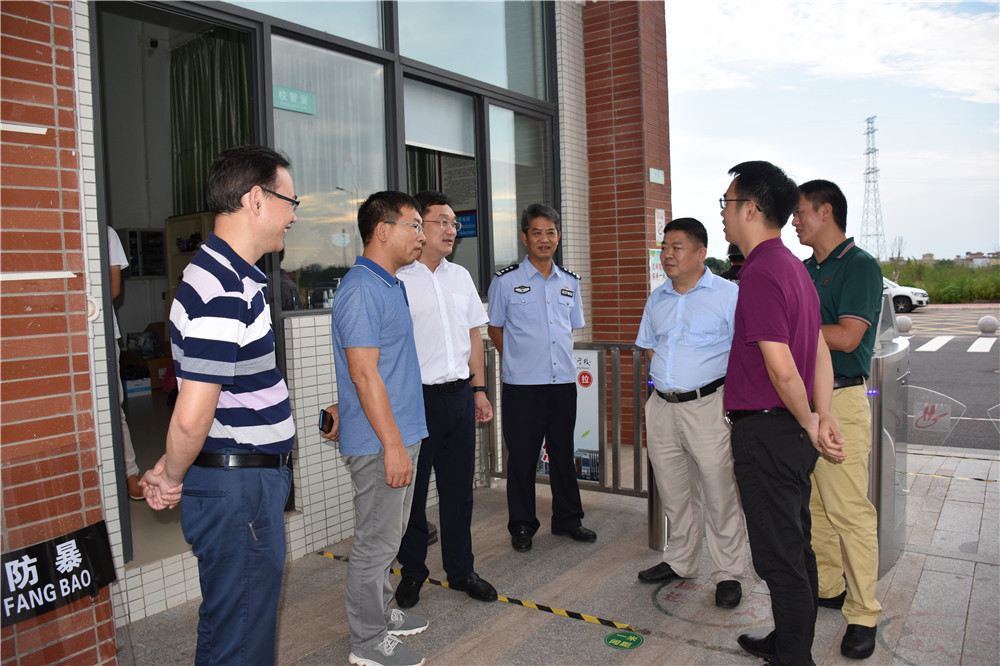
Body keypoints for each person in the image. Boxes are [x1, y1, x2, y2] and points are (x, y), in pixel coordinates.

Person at [140, 145, 297, 664]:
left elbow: (206, 400)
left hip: (236, 478)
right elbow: (192, 415)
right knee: (242, 639)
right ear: (256, 199)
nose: (293, 216)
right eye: (290, 202)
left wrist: (172, 463)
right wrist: (171, 475)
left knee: (230, 625)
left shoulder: (224, 276)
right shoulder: (224, 288)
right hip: (240, 488)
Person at [718, 160, 844, 666]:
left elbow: (782, 367)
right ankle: (790, 641)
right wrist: (821, 414)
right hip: (789, 429)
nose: (723, 213)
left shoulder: (761, 272)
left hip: (768, 432)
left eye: (727, 202)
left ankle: (794, 657)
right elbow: (819, 349)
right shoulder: (794, 266)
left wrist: (812, 419)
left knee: (779, 558)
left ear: (750, 208)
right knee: (796, 545)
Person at [324, 191, 429, 666]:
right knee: (375, 542)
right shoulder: (363, 288)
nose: (422, 235)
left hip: (400, 433)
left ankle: (380, 614)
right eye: (415, 225)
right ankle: (367, 642)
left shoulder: (391, 284)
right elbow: (364, 373)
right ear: (383, 230)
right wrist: (392, 445)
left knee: (390, 536)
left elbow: (372, 368)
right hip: (381, 442)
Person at [634, 218, 746, 610]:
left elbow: (745, 351)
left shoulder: (728, 295)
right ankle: (681, 559)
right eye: (664, 246)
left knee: (719, 490)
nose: (667, 254)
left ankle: (728, 572)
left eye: (676, 247)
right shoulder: (657, 298)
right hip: (662, 406)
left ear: (701, 253)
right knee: (674, 489)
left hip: (708, 406)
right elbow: (650, 346)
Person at [393, 191, 498, 609]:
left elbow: (474, 335)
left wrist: (479, 390)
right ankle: (412, 571)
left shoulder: (460, 277)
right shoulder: (399, 278)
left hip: (458, 397)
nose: (451, 229)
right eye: (442, 221)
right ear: (420, 226)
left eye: (454, 222)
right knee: (414, 496)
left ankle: (461, 570)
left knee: (459, 493)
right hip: (416, 400)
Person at [794, 179, 883, 660]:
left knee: (848, 509)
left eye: (800, 213)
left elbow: (848, 337)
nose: (794, 222)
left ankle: (864, 613)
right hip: (804, 402)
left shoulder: (859, 265)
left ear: (825, 211)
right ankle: (829, 587)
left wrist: (790, 329)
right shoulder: (806, 268)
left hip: (843, 399)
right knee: (815, 505)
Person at [487, 203, 595, 553]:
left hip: (562, 384)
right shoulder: (505, 281)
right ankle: (522, 524)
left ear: (558, 237)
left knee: (563, 454)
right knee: (522, 458)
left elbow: (569, 328)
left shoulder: (570, 282)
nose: (544, 239)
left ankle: (568, 519)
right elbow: (495, 328)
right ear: (525, 237)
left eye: (551, 233)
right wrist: (519, 359)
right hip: (522, 387)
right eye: (537, 233)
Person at [106, 226, 143, 500]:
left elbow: (113, 287)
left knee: (113, 406)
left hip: (104, 334)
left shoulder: (106, 233)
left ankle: (130, 473)